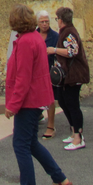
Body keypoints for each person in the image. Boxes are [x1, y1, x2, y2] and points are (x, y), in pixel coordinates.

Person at [4, 4, 71, 185]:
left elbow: (23, 78)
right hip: (36, 98)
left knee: (21, 145)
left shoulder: (25, 42)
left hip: (28, 101)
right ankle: (59, 178)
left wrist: (12, 105)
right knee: (31, 143)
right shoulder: (35, 38)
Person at [49, 7, 89, 150]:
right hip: (68, 75)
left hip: (74, 75)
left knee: (72, 104)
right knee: (64, 102)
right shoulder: (66, 32)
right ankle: (73, 132)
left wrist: (54, 50)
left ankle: (78, 137)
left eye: (56, 19)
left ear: (60, 19)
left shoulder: (69, 32)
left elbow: (72, 51)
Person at [36, 11, 58, 139]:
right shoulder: (34, 35)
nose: (44, 24)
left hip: (49, 70)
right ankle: (38, 116)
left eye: (47, 22)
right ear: (38, 23)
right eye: (42, 22)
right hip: (36, 71)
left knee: (50, 99)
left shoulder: (55, 36)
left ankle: (51, 126)